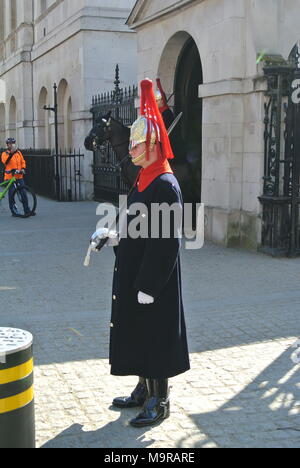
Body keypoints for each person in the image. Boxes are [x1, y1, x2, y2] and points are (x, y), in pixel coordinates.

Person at [91, 79, 190, 428]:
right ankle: (141, 389)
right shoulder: (144, 177)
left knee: (156, 335)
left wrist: (149, 285)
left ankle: (159, 399)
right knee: (137, 330)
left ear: (151, 147)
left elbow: (165, 242)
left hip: (153, 279)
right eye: (131, 146)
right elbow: (139, 224)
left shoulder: (164, 183)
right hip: (135, 269)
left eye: (136, 147)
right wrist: (115, 235)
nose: (130, 152)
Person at [1, 138, 33, 218]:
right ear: (7, 145)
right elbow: (5, 161)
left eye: (13, 143)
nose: (11, 145)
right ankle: (14, 211)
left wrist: (23, 168)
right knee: (11, 195)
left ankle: (27, 210)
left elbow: (23, 161)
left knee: (23, 193)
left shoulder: (18, 152)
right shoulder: (5, 153)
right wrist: (11, 153)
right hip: (10, 177)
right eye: (10, 143)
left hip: (19, 176)